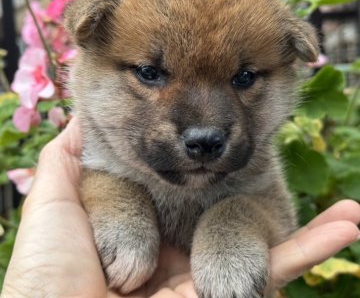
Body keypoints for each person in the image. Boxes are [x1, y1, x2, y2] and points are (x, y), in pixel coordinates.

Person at [2, 118, 360, 298]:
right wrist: (116, 204)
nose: (204, 130)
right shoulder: (99, 146)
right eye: (150, 73)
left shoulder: (254, 160)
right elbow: (95, 176)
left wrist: (236, 223)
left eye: (243, 78)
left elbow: (273, 205)